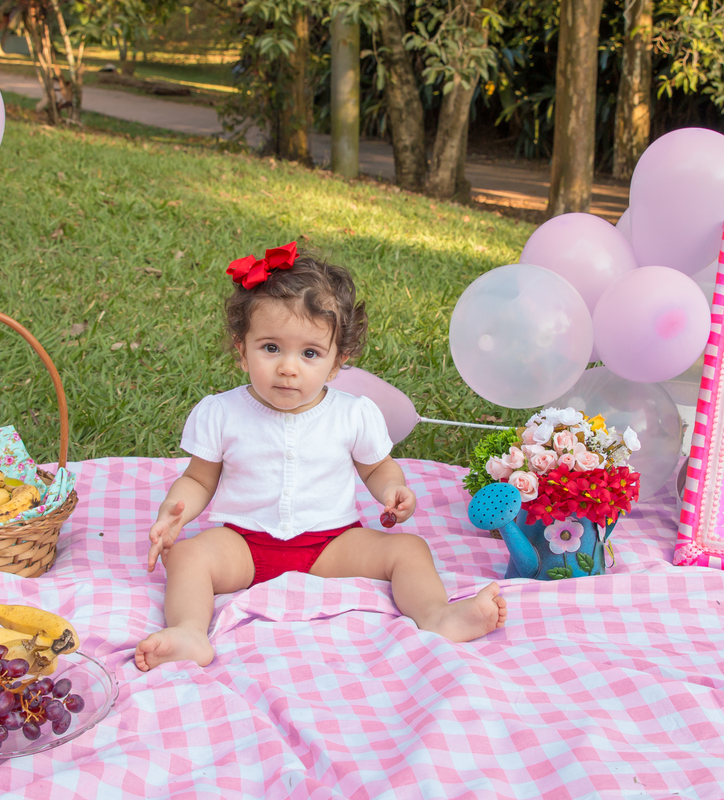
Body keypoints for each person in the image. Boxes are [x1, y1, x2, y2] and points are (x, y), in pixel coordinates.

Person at [135, 242, 507, 670]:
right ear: (241, 350)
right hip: (243, 543)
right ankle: (188, 632)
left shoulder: (352, 414)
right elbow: (200, 479)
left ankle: (437, 614)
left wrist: (393, 488)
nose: (288, 367)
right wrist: (173, 512)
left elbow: (376, 466)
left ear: (336, 363)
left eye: (309, 353)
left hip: (332, 542)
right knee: (186, 556)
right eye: (270, 348)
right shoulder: (221, 412)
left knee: (408, 550)